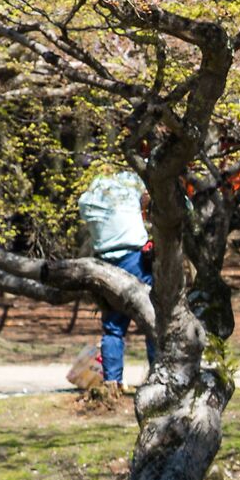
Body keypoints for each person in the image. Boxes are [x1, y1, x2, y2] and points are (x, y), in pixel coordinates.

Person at [77, 166, 150, 388]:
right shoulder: (129, 182)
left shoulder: (88, 198)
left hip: (105, 264)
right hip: (134, 259)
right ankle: (160, 376)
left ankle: (112, 382)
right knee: (153, 321)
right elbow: (146, 199)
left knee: (113, 327)